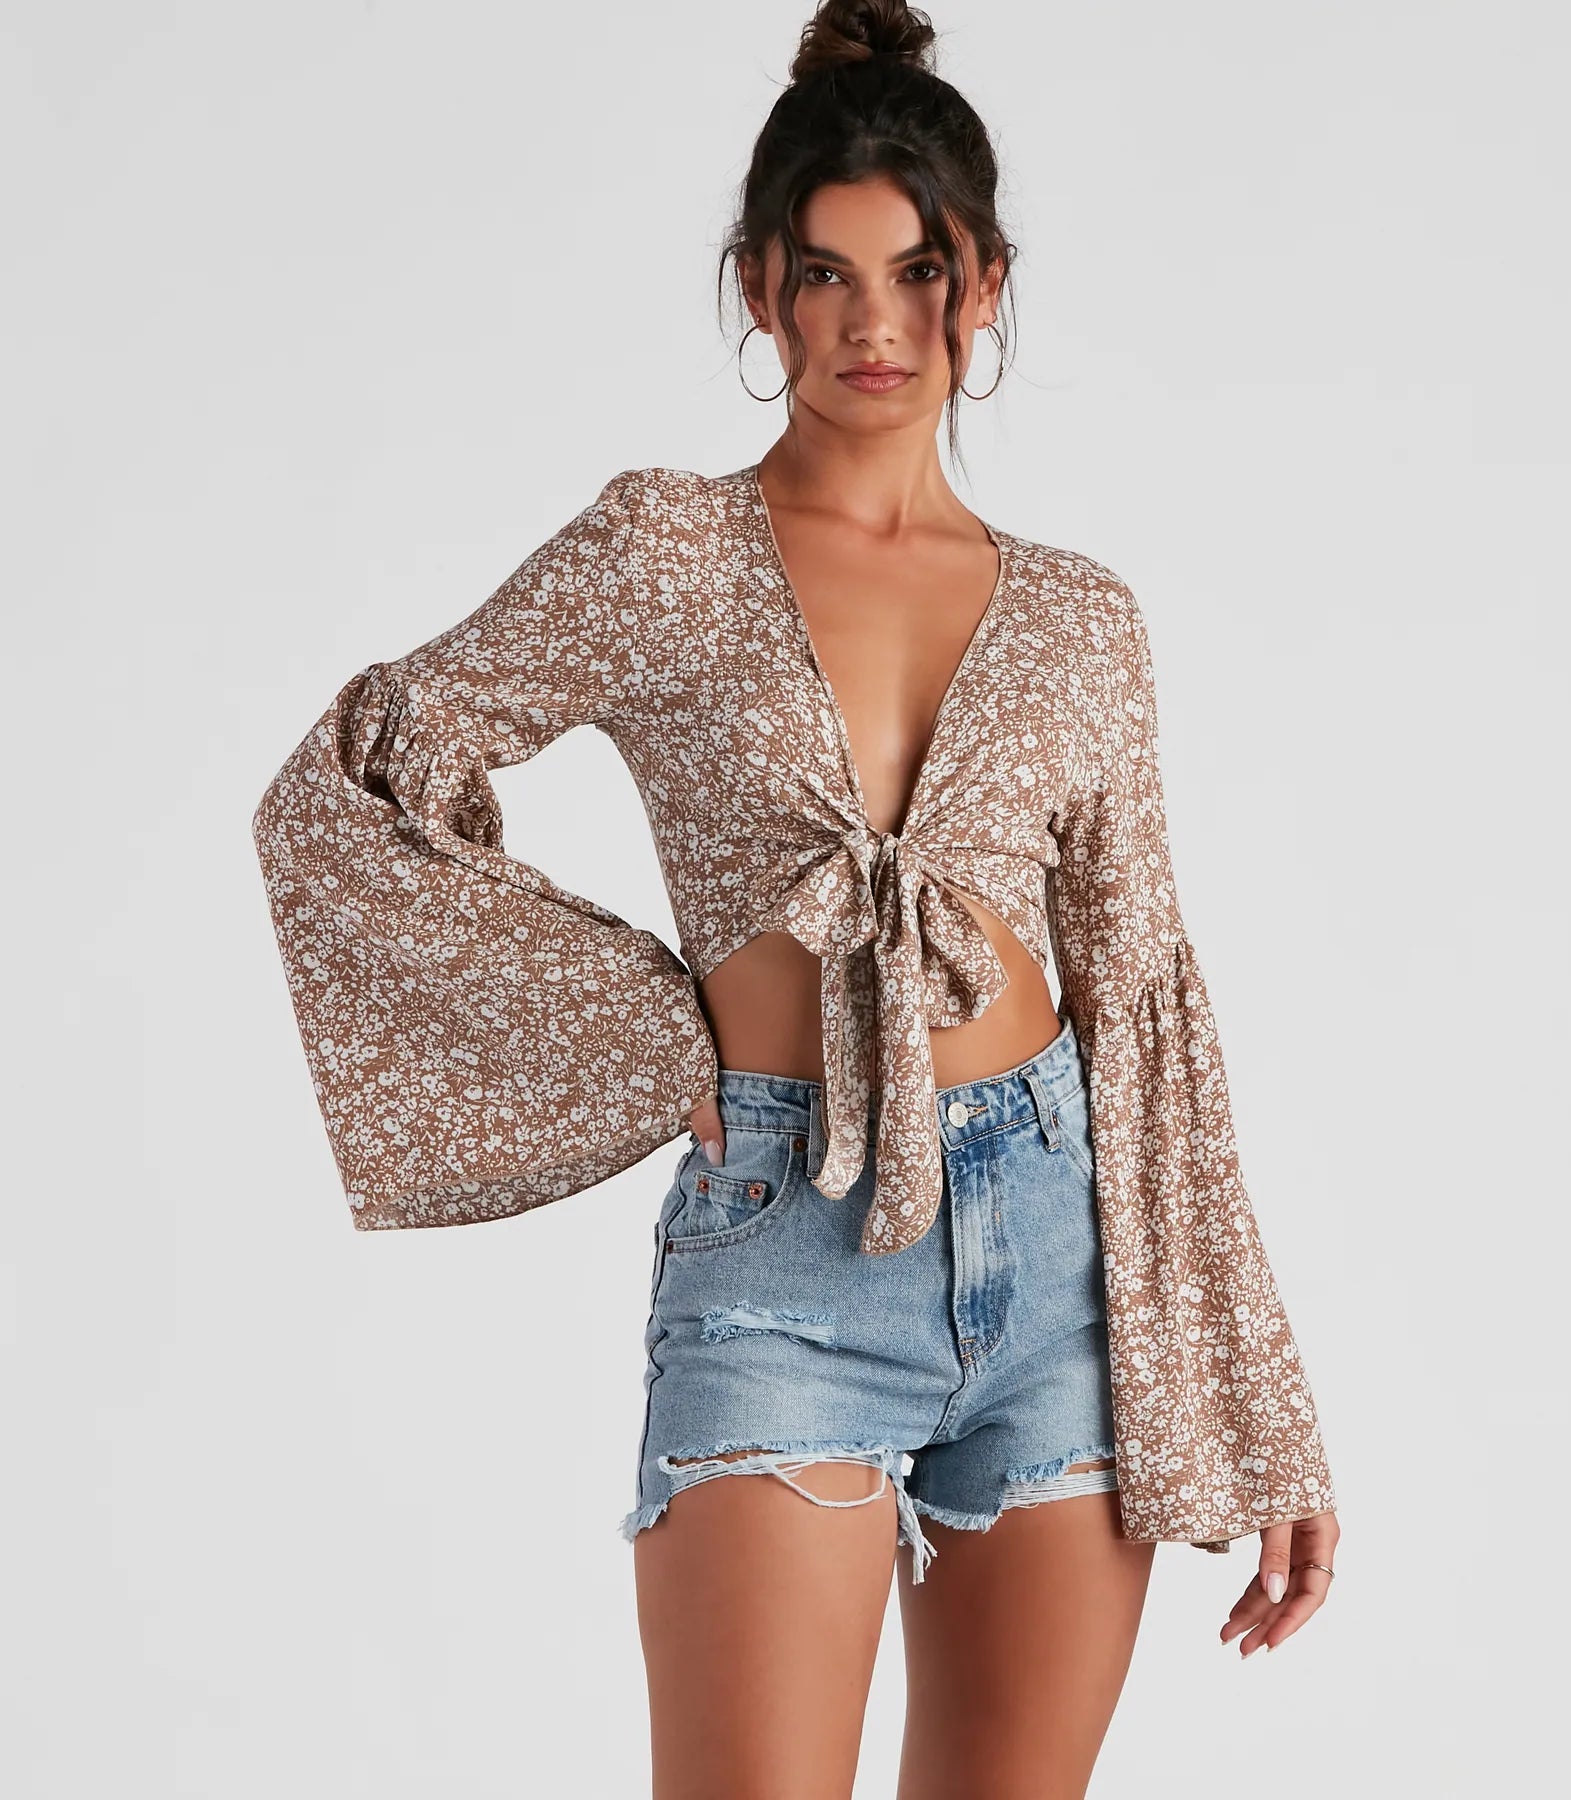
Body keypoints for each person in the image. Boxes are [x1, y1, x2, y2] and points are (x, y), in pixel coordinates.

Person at [251, 2, 1340, 1793]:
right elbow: (367, 769)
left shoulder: (1082, 619)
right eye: (824, 275)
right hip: (782, 1255)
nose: (872, 324)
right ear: (759, 288)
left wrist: (1261, 1404)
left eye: (916, 273)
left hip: (1059, 1269)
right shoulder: (664, 549)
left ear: (982, 286)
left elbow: (1145, 1009)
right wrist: (636, 1027)